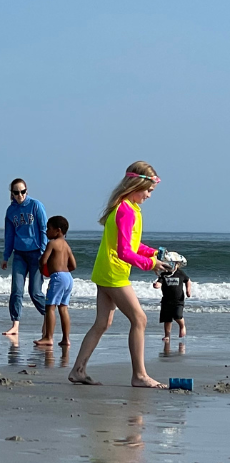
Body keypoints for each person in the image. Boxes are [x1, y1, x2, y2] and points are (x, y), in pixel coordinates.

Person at [68, 162, 170, 388]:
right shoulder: (125, 210)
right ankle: (140, 375)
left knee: (102, 323)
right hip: (114, 274)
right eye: (148, 191)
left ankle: (78, 370)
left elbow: (132, 244)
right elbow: (125, 252)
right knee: (139, 319)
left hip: (106, 271)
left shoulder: (129, 208)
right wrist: (150, 264)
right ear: (136, 185)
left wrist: (154, 253)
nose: (149, 196)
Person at [1, 178, 48, 336]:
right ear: (12, 194)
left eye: (22, 191)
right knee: (16, 291)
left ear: (26, 191)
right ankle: (15, 324)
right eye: (16, 192)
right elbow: (9, 235)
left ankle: (49, 315)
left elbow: (43, 229)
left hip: (36, 253)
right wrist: (6, 256)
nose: (20, 195)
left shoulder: (36, 205)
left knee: (35, 292)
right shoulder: (10, 211)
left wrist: (43, 253)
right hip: (19, 254)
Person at [34, 216, 76, 348]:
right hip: (68, 277)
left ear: (58, 231)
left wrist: (43, 269)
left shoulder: (52, 244)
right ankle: (66, 339)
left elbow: (43, 260)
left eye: (49, 228)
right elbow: (73, 265)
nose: (46, 231)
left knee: (50, 307)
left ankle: (48, 337)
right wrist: (63, 270)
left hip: (57, 278)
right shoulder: (66, 246)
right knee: (63, 308)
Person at [154, 261, 191, 340]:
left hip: (178, 300)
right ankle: (167, 335)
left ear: (177, 265)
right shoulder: (164, 274)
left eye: (173, 265)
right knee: (167, 319)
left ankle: (182, 326)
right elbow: (160, 282)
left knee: (177, 316)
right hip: (166, 300)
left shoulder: (180, 273)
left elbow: (187, 280)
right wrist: (157, 285)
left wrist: (188, 290)